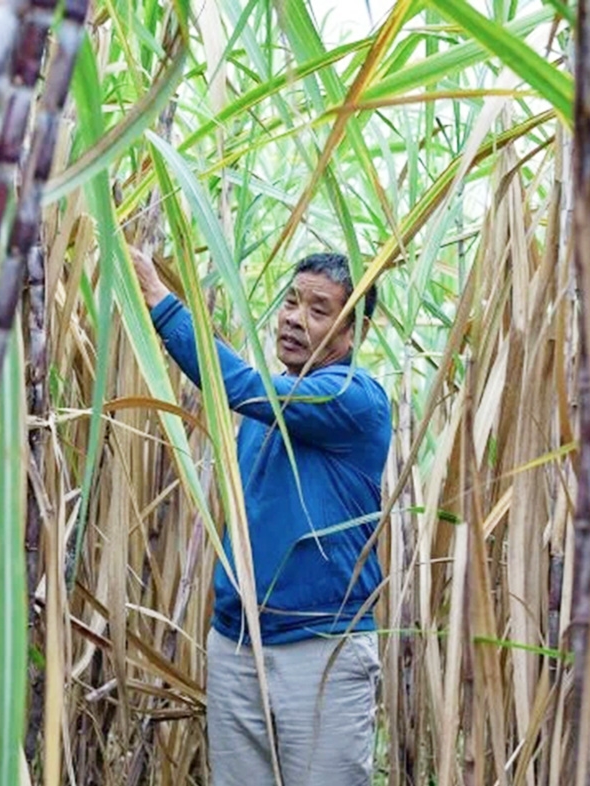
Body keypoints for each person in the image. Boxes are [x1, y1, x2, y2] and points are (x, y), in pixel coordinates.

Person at [132, 249, 390, 786]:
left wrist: (160, 301)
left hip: (321, 650)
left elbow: (245, 389)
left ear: (353, 334)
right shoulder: (263, 413)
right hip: (237, 643)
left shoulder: (354, 399)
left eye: (319, 310)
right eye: (291, 301)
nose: (295, 318)